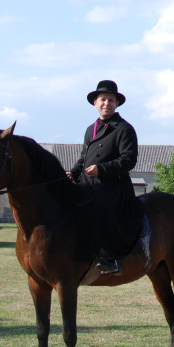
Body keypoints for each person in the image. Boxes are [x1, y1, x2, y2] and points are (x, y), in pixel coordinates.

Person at [69, 79, 145, 275]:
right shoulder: (90, 129)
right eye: (103, 99)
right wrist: (73, 172)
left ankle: (109, 258)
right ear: (95, 102)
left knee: (99, 207)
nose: (106, 103)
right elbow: (84, 158)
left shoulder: (124, 129)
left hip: (113, 187)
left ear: (116, 103)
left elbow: (129, 159)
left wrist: (101, 170)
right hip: (88, 184)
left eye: (111, 100)